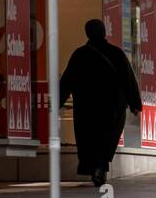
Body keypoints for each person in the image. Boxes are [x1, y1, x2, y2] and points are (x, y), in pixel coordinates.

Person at [59, 19, 142, 187]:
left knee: (88, 138)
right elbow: (128, 79)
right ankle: (100, 166)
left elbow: (67, 80)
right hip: (112, 106)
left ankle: (94, 168)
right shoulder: (116, 53)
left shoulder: (80, 54)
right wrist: (134, 104)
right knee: (107, 137)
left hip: (86, 106)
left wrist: (58, 100)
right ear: (104, 32)